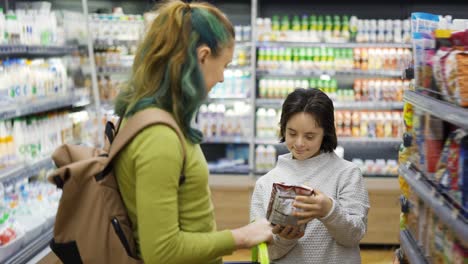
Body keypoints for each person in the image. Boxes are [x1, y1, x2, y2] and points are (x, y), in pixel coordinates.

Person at [113, 1, 272, 263]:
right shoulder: (159, 137)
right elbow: (161, 251)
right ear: (203, 57)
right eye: (225, 65)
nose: (222, 77)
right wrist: (241, 237)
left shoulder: (154, 116)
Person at [250, 88, 370, 264]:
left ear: (326, 133)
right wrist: (285, 239)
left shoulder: (347, 174)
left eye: (309, 136)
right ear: (282, 128)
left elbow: (354, 235)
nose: (299, 143)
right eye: (292, 133)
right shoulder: (265, 183)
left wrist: (329, 210)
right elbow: (263, 253)